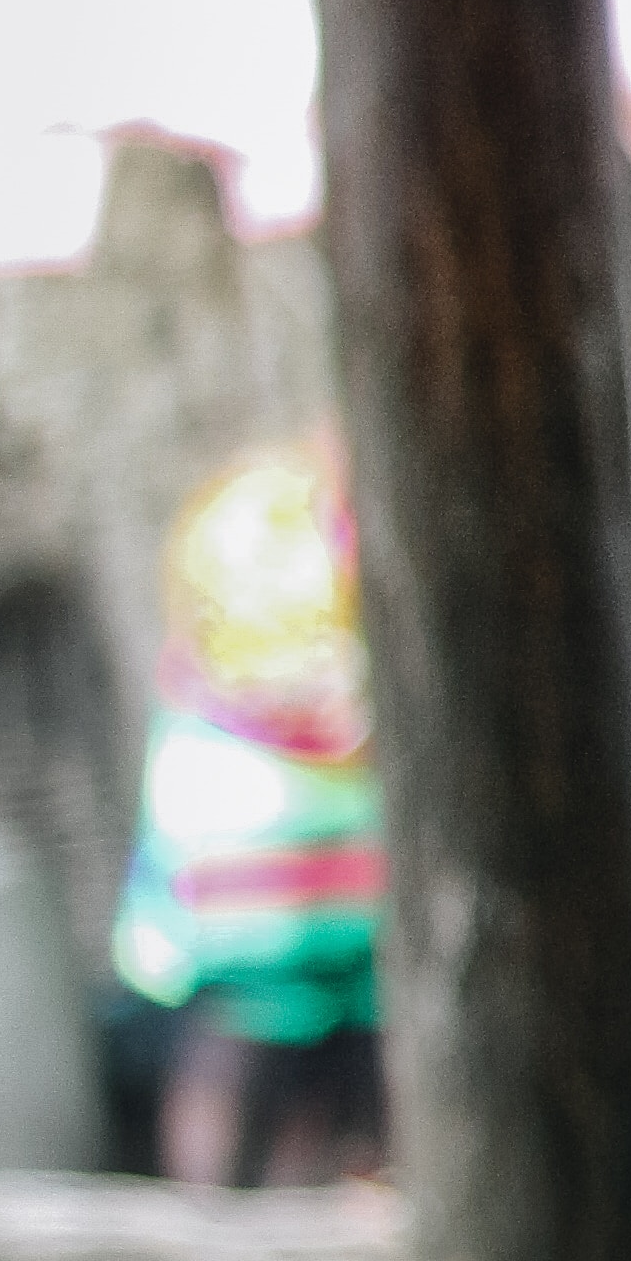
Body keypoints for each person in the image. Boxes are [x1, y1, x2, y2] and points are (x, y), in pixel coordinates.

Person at [109, 435, 384, 1189]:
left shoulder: (236, 516)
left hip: (236, 835)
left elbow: (193, 650)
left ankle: (214, 1239)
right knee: (346, 1065)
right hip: (337, 846)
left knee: (241, 1043)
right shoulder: (338, 519)